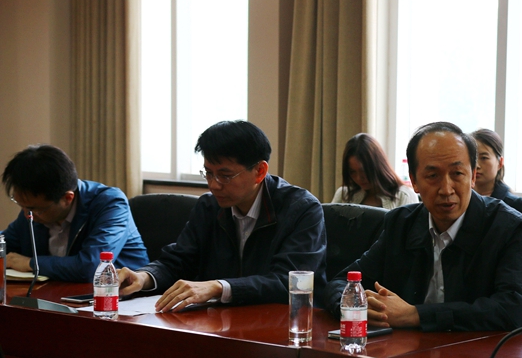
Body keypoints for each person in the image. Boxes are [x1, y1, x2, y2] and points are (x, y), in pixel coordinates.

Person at [324, 121, 522, 332]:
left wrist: (415, 315)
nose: (446, 189)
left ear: (472, 176)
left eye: (457, 174)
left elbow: (511, 309)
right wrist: (356, 307)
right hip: (408, 347)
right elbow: (342, 282)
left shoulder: (508, 227)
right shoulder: (400, 224)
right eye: (433, 176)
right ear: (414, 181)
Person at [118, 120, 327, 312]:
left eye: (225, 176)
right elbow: (179, 261)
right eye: (209, 173)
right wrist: (144, 277)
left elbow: (290, 282)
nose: (213, 185)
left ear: (260, 171)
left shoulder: (301, 209)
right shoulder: (209, 206)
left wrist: (220, 287)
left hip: (283, 323)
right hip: (221, 321)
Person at [1, 145, 149, 282]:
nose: (27, 215)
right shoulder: (33, 209)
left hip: (116, 295)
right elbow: (6, 243)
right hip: (55, 292)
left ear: (67, 198)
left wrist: (30, 263)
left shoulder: (110, 204)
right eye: (22, 206)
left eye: (34, 209)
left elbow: (92, 266)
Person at [331, 133, 418, 209]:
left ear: (377, 166)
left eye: (364, 171)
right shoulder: (344, 194)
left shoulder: (405, 196)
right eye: (352, 172)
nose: (359, 178)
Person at [470, 129, 522, 215]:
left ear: (500, 162)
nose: (476, 165)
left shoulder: (515, 204)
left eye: (484, 158)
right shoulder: (459, 199)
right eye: (472, 158)